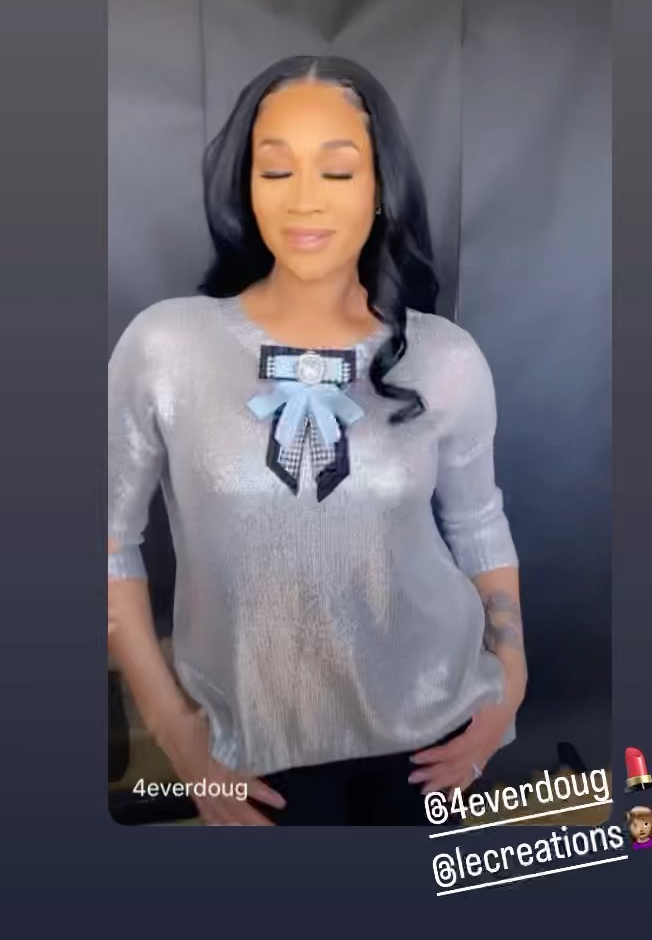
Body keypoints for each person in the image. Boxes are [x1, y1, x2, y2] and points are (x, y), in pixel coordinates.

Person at [108, 54, 526, 825]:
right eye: (276, 171)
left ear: (380, 189)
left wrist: (510, 682)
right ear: (246, 185)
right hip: (252, 746)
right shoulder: (167, 347)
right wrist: (175, 732)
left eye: (337, 171)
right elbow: (109, 543)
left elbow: (478, 524)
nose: (305, 199)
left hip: (430, 729)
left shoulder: (445, 358)